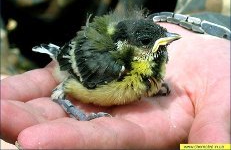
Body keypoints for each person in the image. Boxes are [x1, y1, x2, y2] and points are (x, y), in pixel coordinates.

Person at [1, 23, 230, 149]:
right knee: (59, 95)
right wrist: (76, 112)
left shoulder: (154, 62)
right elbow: (70, 62)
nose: (166, 41)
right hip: (67, 59)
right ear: (127, 47)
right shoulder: (112, 66)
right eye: (145, 42)